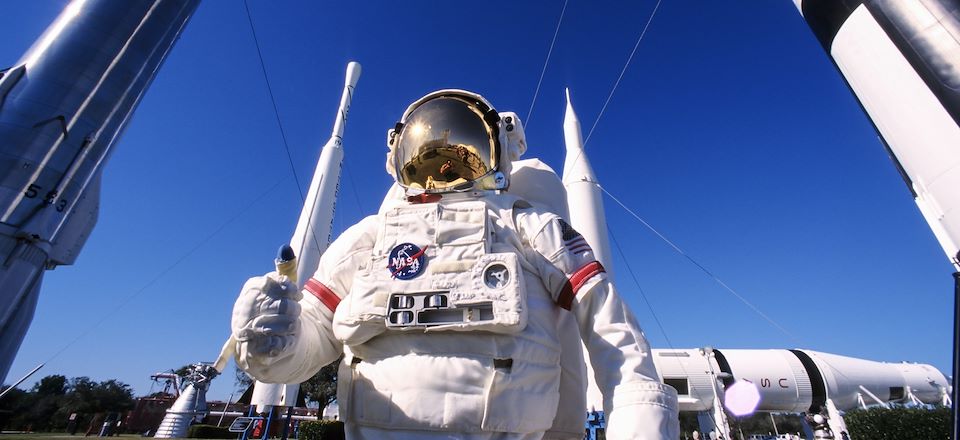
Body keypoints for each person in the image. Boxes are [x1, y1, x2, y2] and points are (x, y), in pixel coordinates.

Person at [231, 90, 679, 439]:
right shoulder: (368, 238)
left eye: (459, 144)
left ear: (496, 150)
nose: (442, 166)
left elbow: (611, 333)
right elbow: (306, 349)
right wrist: (271, 341)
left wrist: (638, 424)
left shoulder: (529, 225)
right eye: (427, 146)